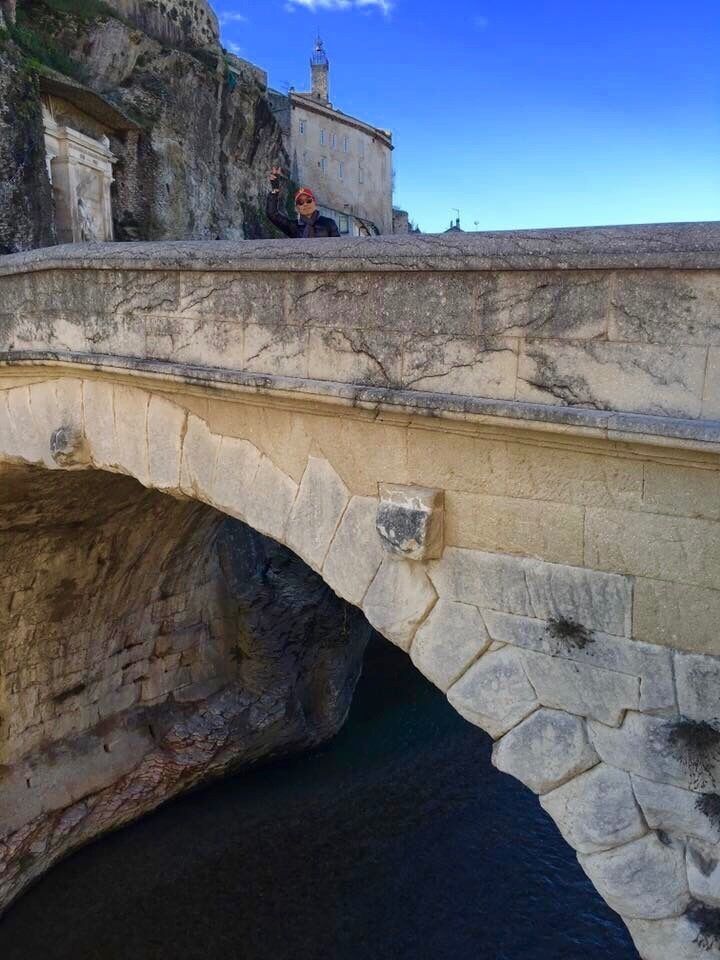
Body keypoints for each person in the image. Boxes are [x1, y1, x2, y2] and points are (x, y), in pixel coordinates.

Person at [266, 167, 340, 238]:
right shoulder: (293, 227)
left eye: (308, 201)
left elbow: (338, 244)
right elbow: (272, 214)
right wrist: (275, 190)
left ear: (314, 202)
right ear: (297, 208)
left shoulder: (329, 223)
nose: (305, 204)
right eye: (300, 202)